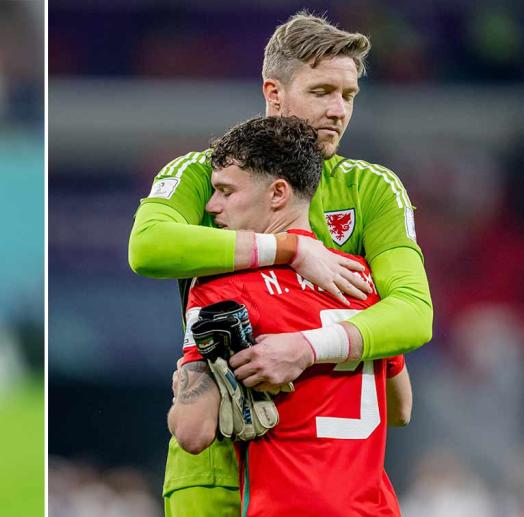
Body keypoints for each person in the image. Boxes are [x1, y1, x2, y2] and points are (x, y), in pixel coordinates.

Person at [126, 12, 432, 516]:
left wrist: (303, 348)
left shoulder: (372, 187)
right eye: (321, 92)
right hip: (214, 465)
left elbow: (416, 312)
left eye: (348, 96)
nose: (338, 110)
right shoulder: (210, 172)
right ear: (274, 93)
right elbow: (148, 247)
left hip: (327, 466)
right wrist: (290, 249)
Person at [166, 115, 412, 516]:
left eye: (226, 191)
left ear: (277, 193)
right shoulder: (360, 280)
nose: (213, 206)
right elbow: (401, 409)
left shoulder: (224, 288)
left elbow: (193, 432)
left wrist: (186, 384)